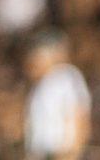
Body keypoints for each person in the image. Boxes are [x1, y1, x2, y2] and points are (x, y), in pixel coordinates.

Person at [24, 31, 91, 160]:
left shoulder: (66, 77)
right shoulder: (40, 85)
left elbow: (79, 115)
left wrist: (73, 153)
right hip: (41, 153)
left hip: (61, 153)